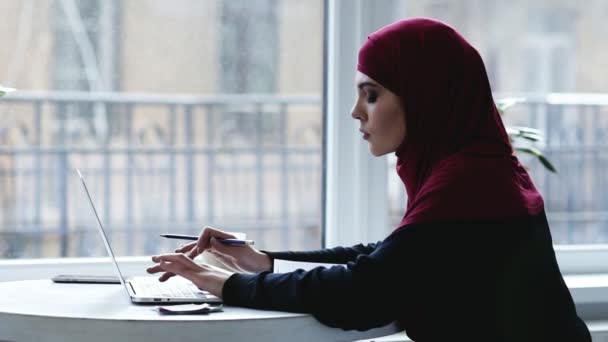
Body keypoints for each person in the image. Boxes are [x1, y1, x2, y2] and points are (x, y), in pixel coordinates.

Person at [147, 18, 591, 341]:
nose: (357, 112)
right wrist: (262, 261)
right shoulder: (480, 169)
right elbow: (388, 258)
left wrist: (223, 284)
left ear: (424, 97)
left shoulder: (470, 183)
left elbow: (365, 293)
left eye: (372, 94)